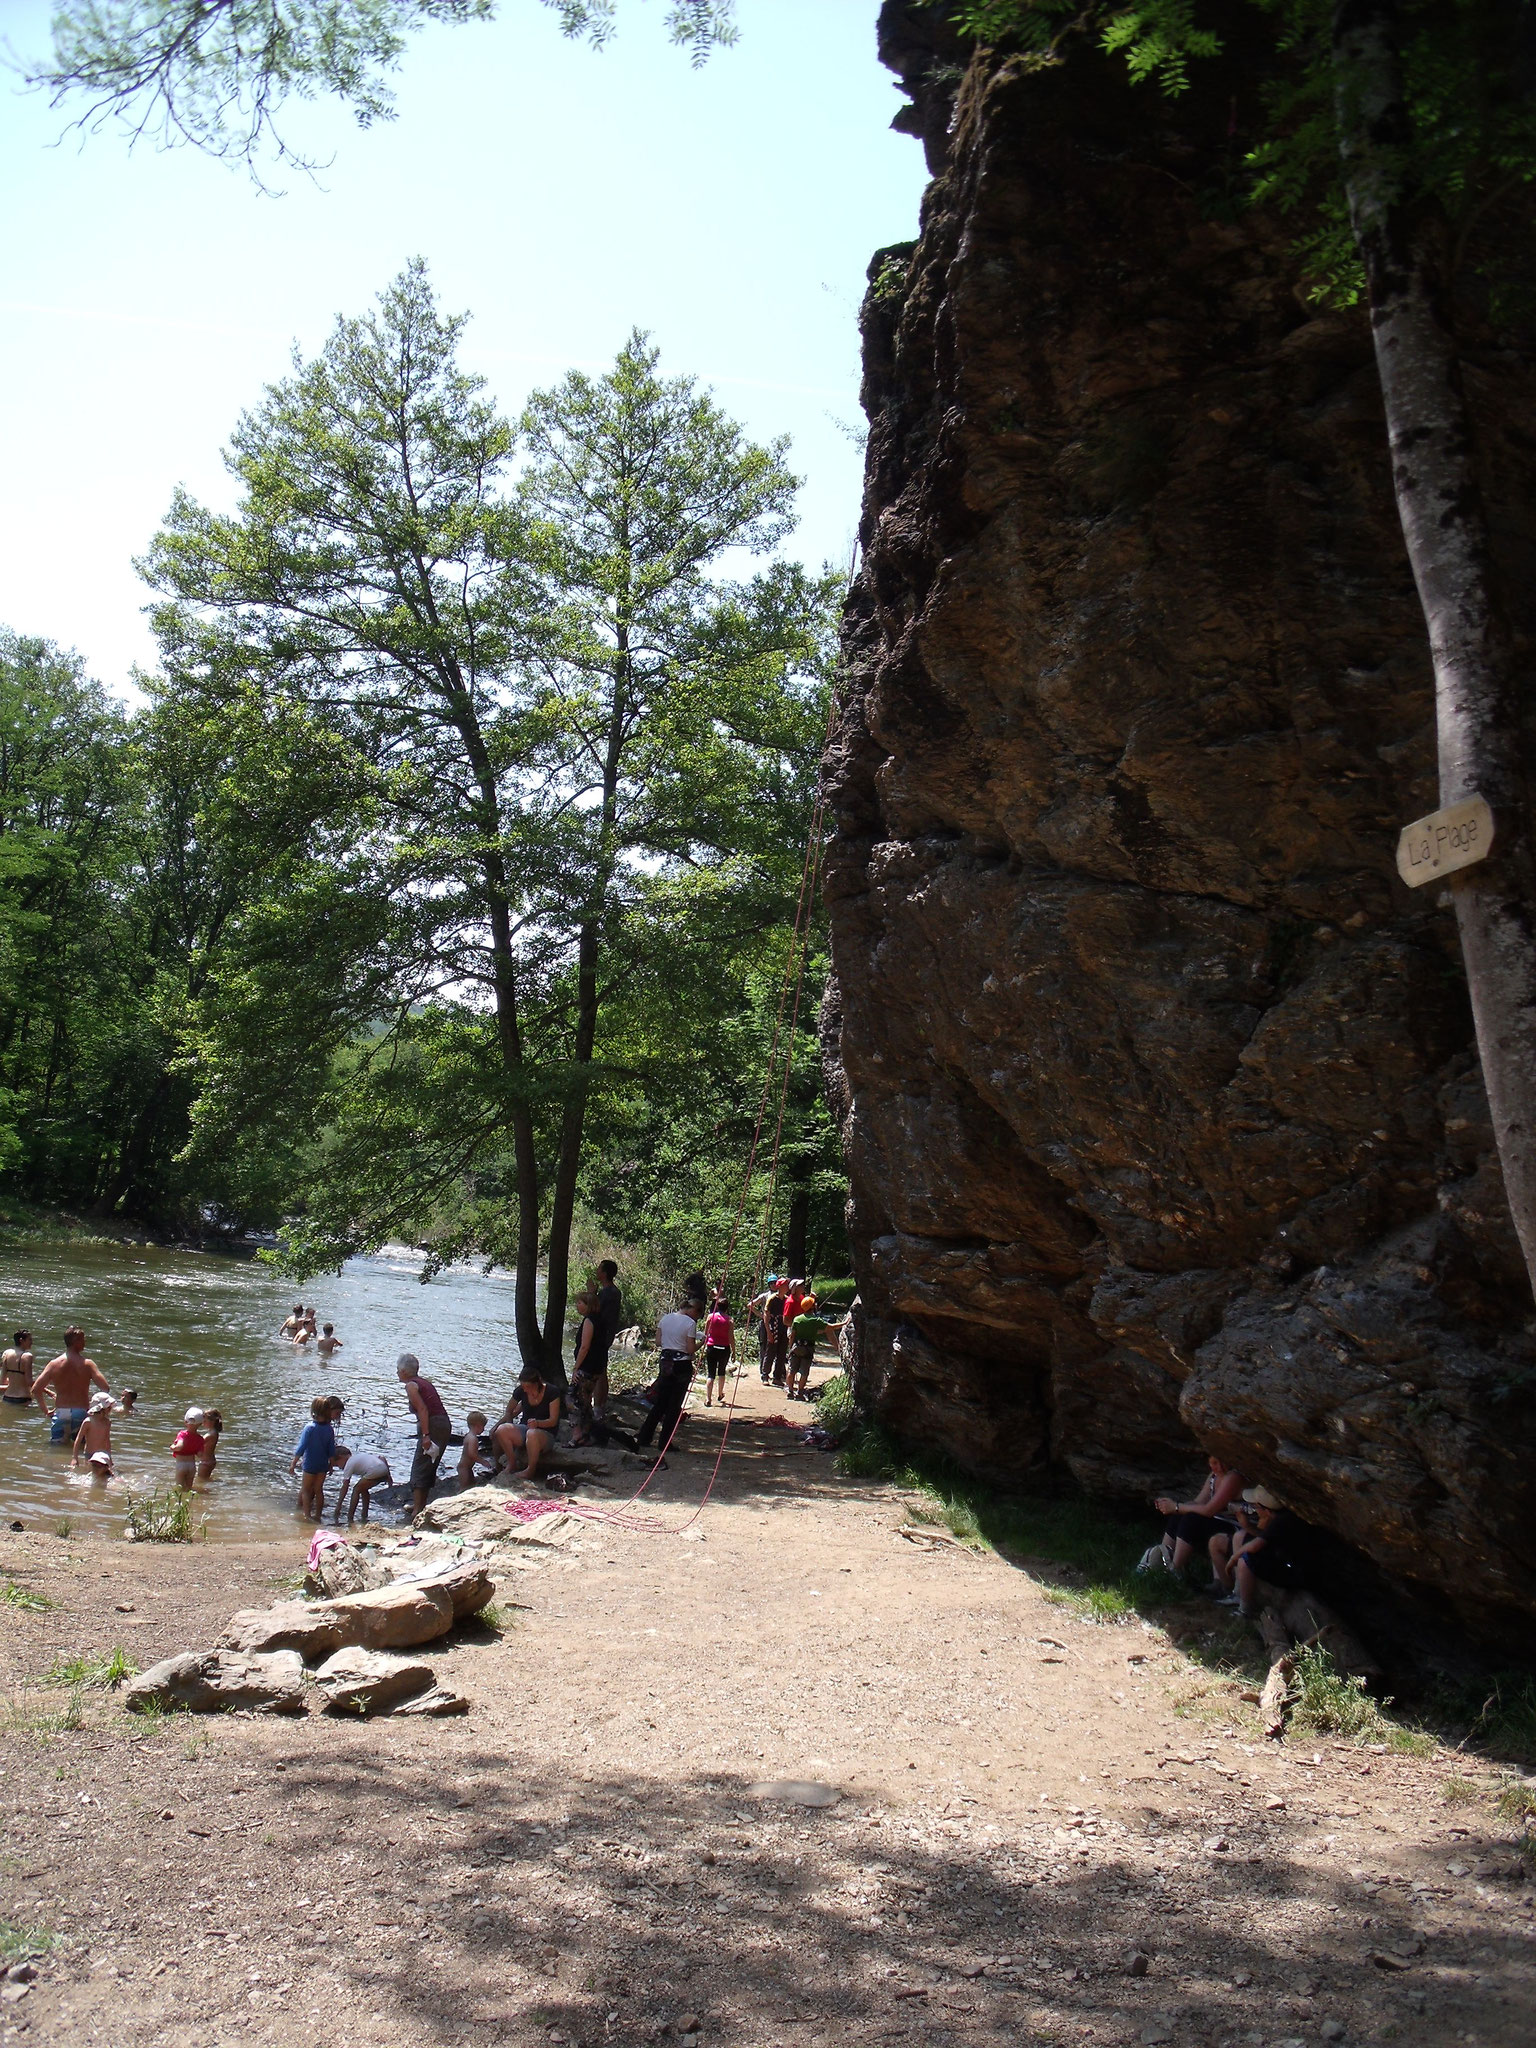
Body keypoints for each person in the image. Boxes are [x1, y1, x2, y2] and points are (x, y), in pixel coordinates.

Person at [1147, 1454, 1245, 1581]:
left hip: (1234, 1525)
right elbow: (1198, 1502)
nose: (1219, 1467)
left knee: (1191, 1520)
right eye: (1214, 1463)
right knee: (1179, 1516)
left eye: (1222, 1463)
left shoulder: (1233, 1477)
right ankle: (1162, 1555)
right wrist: (1170, 1505)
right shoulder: (1213, 1477)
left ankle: (1175, 1570)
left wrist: (1176, 1507)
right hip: (1217, 1521)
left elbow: (1209, 1510)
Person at [634, 1294, 698, 1463]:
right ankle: (664, 1442)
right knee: (674, 1405)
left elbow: (657, 1341)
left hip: (665, 1363)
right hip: (682, 1365)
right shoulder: (690, 1323)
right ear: (693, 1310)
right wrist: (702, 1342)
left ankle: (644, 1437)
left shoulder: (666, 1318)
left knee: (660, 1402)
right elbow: (690, 1349)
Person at [1228, 1488, 1308, 1616]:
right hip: (1284, 1560)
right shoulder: (1282, 1516)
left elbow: (1255, 1546)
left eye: (1256, 1506)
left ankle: (1245, 1610)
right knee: (1240, 1536)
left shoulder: (1280, 1522)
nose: (1254, 1509)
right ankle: (1237, 1593)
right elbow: (1265, 1537)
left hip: (1295, 1573)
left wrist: (1233, 1559)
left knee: (1245, 1560)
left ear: (1267, 1510)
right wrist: (1247, 1526)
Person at [32, 1327, 111, 1444]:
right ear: (76, 1341)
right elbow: (105, 1388)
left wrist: (46, 1411)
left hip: (61, 1412)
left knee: (56, 1448)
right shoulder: (88, 1364)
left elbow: (36, 1389)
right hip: (81, 1412)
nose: (85, 1343)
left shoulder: (54, 1364)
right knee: (79, 1447)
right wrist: (96, 1407)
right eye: (83, 1340)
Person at [397, 1353, 452, 1516]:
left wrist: (426, 1435)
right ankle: (420, 1507)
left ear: (404, 1371)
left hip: (433, 1426)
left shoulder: (411, 1386)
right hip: (443, 1424)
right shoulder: (424, 1382)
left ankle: (417, 1511)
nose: (397, 1373)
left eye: (398, 1370)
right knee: (428, 1465)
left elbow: (423, 1409)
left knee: (419, 1467)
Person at [496, 1367, 563, 1482]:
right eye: (523, 1387)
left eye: (528, 1387)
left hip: (546, 1433)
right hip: (525, 1428)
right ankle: (511, 1464)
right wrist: (510, 1424)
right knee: (501, 1430)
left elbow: (553, 1420)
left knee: (532, 1433)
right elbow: (509, 1410)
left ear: (537, 1383)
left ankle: (530, 1470)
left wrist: (538, 1423)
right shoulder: (521, 1391)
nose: (525, 1390)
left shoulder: (552, 1392)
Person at [786, 1294, 846, 1400]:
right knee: (804, 1372)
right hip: (808, 1349)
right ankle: (799, 1392)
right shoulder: (815, 1320)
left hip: (796, 1347)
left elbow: (792, 1336)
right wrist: (845, 1323)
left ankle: (790, 1390)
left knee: (792, 1370)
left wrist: (790, 1348)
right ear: (812, 1307)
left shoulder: (797, 1319)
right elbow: (831, 1327)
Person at [290, 1395, 336, 1520]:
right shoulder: (329, 1429)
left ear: (313, 1411)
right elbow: (331, 1449)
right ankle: (318, 1516)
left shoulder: (309, 1428)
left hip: (310, 1464)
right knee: (318, 1490)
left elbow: (301, 1447)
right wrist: (331, 1465)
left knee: (305, 1490)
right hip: (322, 1465)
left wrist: (293, 1463)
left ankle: (307, 1515)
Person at [567, 1291, 602, 1445]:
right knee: (586, 1400)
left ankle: (577, 1435)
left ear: (588, 1305)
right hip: (596, 1367)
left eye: (580, 1303)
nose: (577, 1305)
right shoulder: (601, 1320)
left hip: (586, 1367)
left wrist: (576, 1368)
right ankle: (587, 1433)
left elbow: (584, 1347)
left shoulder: (589, 1321)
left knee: (572, 1399)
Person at [334, 1446, 392, 1525]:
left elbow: (345, 1486)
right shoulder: (358, 1457)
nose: (340, 1467)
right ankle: (364, 1514)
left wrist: (338, 1506)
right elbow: (381, 1457)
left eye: (337, 1464)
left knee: (356, 1489)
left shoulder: (349, 1464)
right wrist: (388, 1475)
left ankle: (350, 1517)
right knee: (363, 1489)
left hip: (375, 1471)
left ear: (341, 1457)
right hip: (383, 1468)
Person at [70, 1391, 117, 1474]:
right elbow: (78, 1439)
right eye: (108, 1407)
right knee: (90, 1475)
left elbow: (107, 1440)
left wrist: (110, 1458)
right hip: (90, 1454)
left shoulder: (107, 1422)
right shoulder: (88, 1421)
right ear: (101, 1408)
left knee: (105, 1476)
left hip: (103, 1454)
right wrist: (75, 1458)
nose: (110, 1409)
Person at [702, 1297, 734, 1408]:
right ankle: (720, 1394)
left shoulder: (710, 1317)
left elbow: (705, 1333)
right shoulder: (729, 1320)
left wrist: (703, 1345)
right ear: (727, 1308)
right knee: (721, 1372)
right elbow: (731, 1337)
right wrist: (734, 1351)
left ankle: (708, 1398)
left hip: (711, 1347)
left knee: (710, 1374)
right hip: (724, 1348)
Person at [762, 1279, 791, 1388]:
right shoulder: (772, 1299)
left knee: (782, 1353)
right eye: (785, 1285)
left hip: (783, 1326)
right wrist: (768, 1332)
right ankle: (765, 1375)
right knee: (770, 1352)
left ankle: (777, 1377)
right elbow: (766, 1315)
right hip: (773, 1326)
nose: (787, 1287)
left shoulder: (787, 1299)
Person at [172, 1407, 209, 1489]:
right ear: (200, 1424)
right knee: (189, 1488)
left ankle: (181, 1501)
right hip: (191, 1466)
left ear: (185, 1422)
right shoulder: (200, 1438)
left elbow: (179, 1446)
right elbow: (200, 1454)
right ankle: (190, 1501)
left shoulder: (182, 1434)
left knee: (179, 1488)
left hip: (181, 1465)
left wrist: (173, 1447)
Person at [458, 1411, 495, 1489]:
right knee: (464, 1488)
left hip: (467, 1467)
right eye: (483, 1427)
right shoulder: (473, 1439)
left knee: (471, 1485)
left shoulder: (469, 1436)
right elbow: (472, 1454)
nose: (483, 1429)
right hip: (464, 1468)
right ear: (478, 1426)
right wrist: (483, 1461)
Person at [1, 1331, 34, 1405]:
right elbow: (29, 1382)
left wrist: (14, 1383)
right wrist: (48, 1391)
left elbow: (3, 1380)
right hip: (22, 1398)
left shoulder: (6, 1353)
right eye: (29, 1340)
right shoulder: (27, 1356)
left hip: (7, 1397)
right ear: (21, 1340)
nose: (32, 1342)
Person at [198, 1409, 223, 1480]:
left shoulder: (210, 1434)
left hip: (206, 1462)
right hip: (209, 1460)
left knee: (201, 1480)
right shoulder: (213, 1432)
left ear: (212, 1421)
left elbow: (198, 1443)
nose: (203, 1422)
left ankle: (205, 1490)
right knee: (204, 1479)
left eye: (205, 1420)